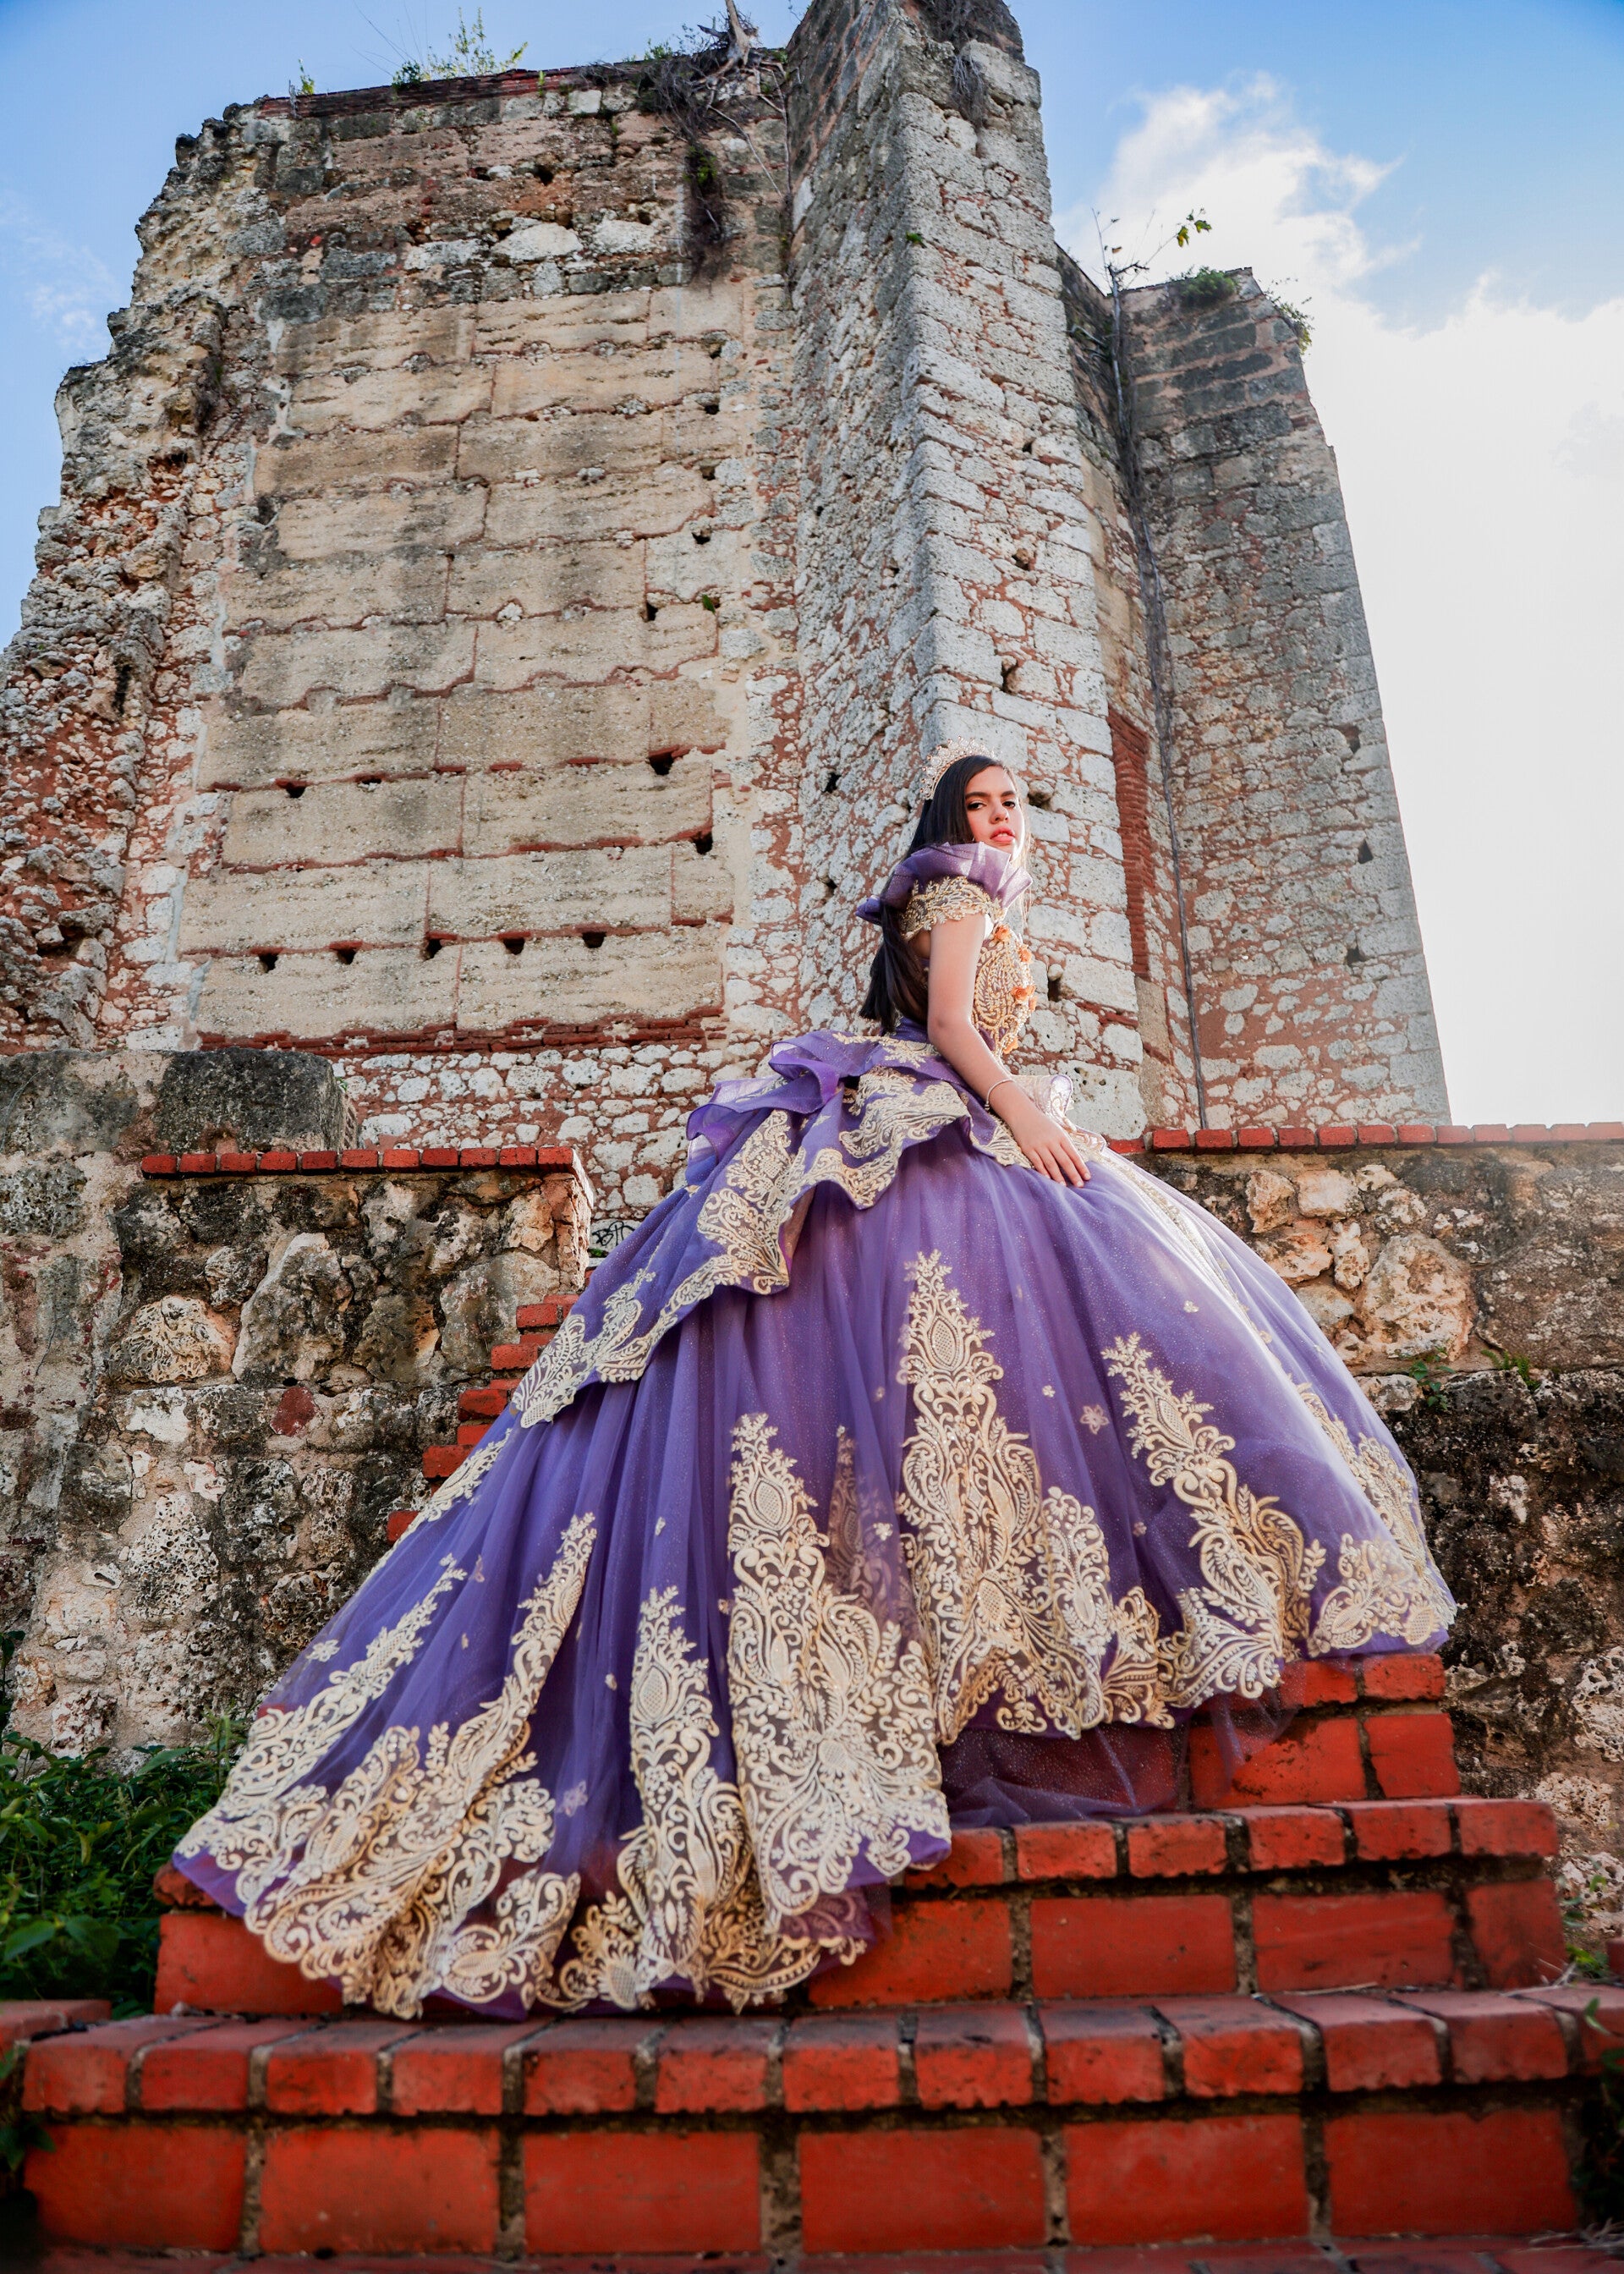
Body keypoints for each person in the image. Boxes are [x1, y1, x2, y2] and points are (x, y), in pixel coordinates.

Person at [173, 743, 1453, 2020]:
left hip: (942, 1129)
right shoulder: (957, 896)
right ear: (949, 817)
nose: (1001, 816)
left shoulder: (961, 893)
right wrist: (1034, 1123)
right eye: (983, 802)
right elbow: (951, 1030)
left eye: (1014, 802)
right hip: (953, 1126)